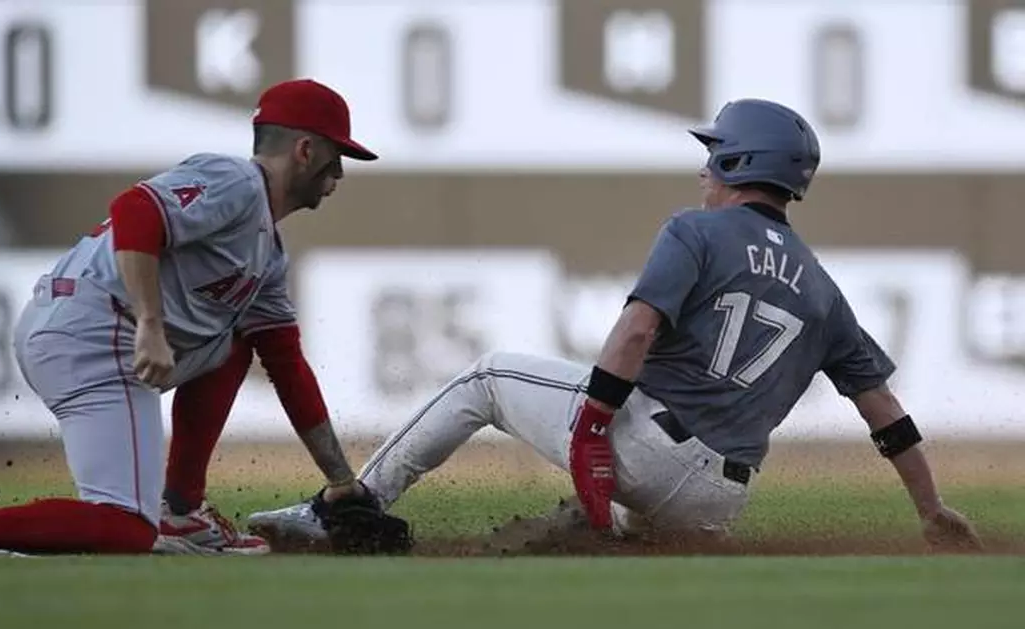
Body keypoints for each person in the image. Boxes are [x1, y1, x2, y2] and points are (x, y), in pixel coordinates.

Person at [244, 98, 984, 553]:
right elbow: (884, 410)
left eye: (713, 153)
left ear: (738, 159)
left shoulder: (698, 230)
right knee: (640, 521)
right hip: (718, 496)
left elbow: (634, 332)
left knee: (491, 375)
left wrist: (595, 420)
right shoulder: (824, 290)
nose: (705, 168)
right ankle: (605, 539)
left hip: (649, 448)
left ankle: (344, 510)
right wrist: (930, 506)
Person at [0, 78, 391, 558]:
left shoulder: (267, 257)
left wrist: (340, 480)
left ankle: (183, 512)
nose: (339, 174)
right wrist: (150, 322)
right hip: (96, 333)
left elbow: (285, 364)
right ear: (305, 151)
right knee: (127, 528)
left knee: (238, 340)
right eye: (336, 156)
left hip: (83, 327)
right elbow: (134, 211)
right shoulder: (237, 182)